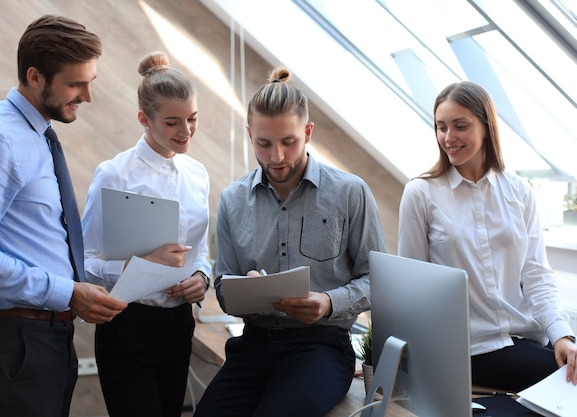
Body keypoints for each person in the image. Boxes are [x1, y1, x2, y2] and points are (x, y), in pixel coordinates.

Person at [0, 15, 127, 417]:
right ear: (34, 76)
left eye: (90, 82)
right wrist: (66, 292)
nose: (87, 96)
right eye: (75, 84)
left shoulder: (36, 136)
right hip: (16, 339)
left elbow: (42, 241)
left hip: (44, 336)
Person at [193, 66, 386, 417]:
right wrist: (243, 291)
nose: (276, 157)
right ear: (250, 134)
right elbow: (222, 287)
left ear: (308, 132)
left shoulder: (350, 193)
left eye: (289, 142)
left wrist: (328, 302)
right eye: (263, 144)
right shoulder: (233, 200)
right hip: (252, 346)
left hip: (322, 348)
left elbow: (380, 282)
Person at [398, 80, 577, 391]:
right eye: (441, 127)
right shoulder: (421, 194)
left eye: (460, 126)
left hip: (526, 337)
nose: (448, 138)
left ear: (486, 126)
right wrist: (396, 359)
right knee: (567, 383)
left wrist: (562, 334)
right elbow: (409, 286)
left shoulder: (520, 191)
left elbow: (536, 275)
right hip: (471, 348)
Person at [81, 51, 211, 417]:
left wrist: (202, 277)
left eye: (193, 118)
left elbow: (199, 252)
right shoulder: (114, 175)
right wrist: (129, 268)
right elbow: (81, 262)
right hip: (126, 326)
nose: (186, 131)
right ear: (144, 118)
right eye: (172, 122)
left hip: (178, 326)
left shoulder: (198, 174)